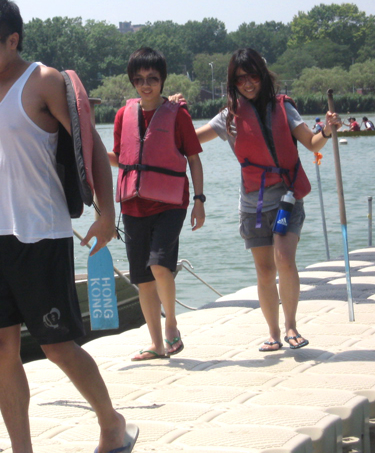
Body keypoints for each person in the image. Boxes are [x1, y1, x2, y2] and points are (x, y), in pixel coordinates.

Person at [0, 0, 137, 453]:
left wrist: (106, 212)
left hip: (42, 233)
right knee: (0, 346)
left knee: (57, 346)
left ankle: (110, 421)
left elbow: (91, 146)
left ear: (12, 39)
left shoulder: (43, 81)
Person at [195, 48, 341, 353]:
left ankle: (291, 327)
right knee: (264, 271)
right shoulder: (229, 117)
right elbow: (190, 140)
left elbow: (312, 142)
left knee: (284, 259)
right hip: (253, 204)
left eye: (253, 76)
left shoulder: (283, 109)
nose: (248, 83)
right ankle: (273, 332)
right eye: (240, 78)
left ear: (263, 75)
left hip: (287, 198)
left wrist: (326, 129)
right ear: (232, 82)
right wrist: (173, 112)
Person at [108, 47, 204, 361]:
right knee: (142, 278)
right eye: (139, 79)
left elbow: (193, 159)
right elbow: (120, 157)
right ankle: (156, 344)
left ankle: (172, 325)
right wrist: (86, 148)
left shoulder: (179, 115)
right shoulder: (124, 115)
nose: (146, 85)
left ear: (162, 80)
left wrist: (199, 201)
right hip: (133, 205)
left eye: (152, 78)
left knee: (160, 265)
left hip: (170, 203)